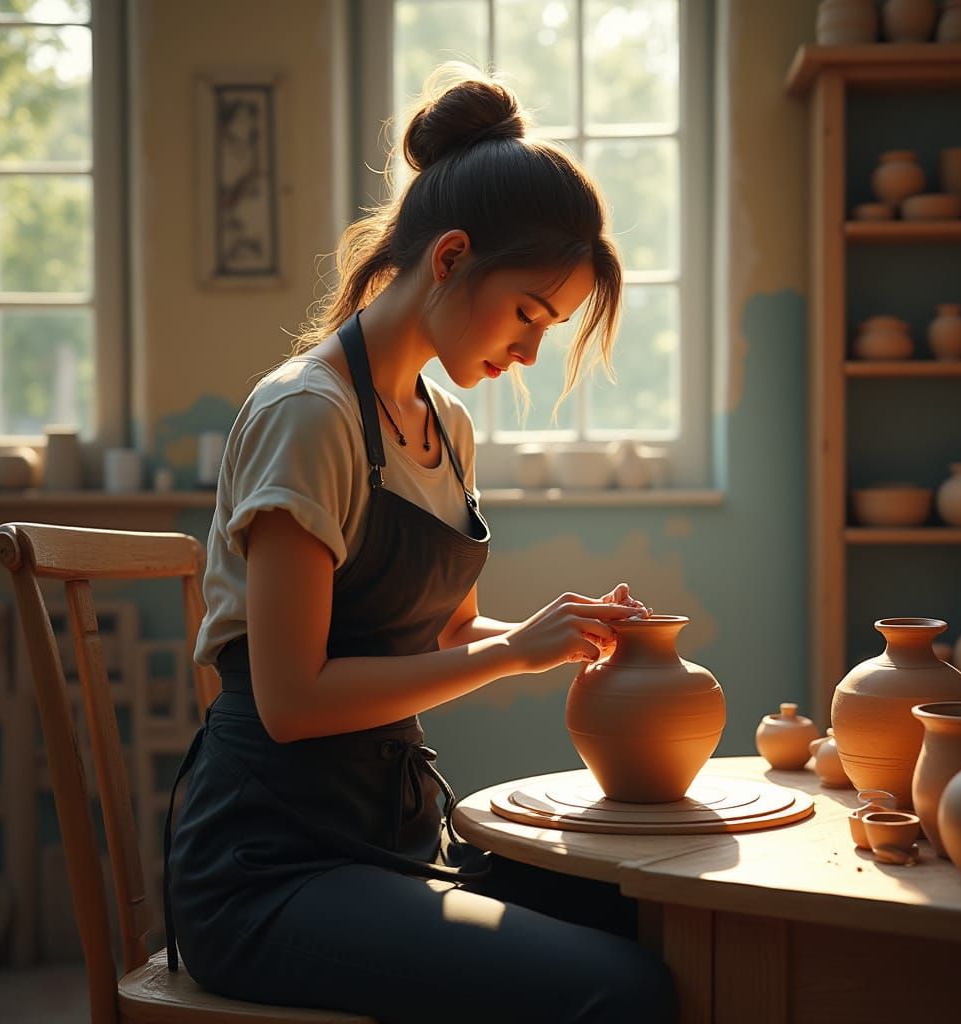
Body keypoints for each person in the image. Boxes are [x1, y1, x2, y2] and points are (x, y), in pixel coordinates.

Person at [163, 64, 679, 1024]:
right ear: (449, 259)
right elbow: (291, 701)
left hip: (385, 836)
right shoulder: (309, 414)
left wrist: (554, 634)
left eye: (549, 329)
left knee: (664, 921)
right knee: (624, 989)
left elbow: (448, 636)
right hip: (266, 869)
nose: (530, 352)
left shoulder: (445, 425)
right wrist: (511, 657)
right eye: (528, 314)